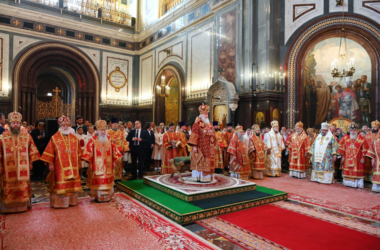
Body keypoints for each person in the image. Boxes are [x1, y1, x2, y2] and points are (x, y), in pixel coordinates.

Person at [0, 112, 40, 213]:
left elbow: (32, 150)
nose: (16, 125)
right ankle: (7, 208)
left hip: (23, 168)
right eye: (13, 123)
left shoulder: (27, 136)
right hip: (7, 168)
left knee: (22, 185)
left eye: (17, 123)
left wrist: (31, 162)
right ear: (9, 124)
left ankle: (22, 206)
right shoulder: (2, 137)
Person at [40, 116, 83, 208]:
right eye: (63, 125)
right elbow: (50, 151)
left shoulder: (74, 139)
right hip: (59, 167)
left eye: (67, 125)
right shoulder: (54, 138)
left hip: (73, 166)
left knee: (72, 183)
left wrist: (79, 162)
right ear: (59, 126)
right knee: (60, 183)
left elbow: (79, 152)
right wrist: (50, 164)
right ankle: (60, 203)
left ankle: (72, 201)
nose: (66, 127)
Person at [82, 120, 122, 202]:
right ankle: (98, 197)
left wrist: (114, 162)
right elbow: (88, 152)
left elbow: (114, 150)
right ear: (97, 130)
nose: (103, 131)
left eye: (104, 130)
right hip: (97, 166)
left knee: (108, 180)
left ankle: (108, 196)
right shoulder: (93, 139)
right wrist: (89, 163)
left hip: (108, 165)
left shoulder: (109, 138)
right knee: (99, 182)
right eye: (101, 130)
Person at [188, 104, 217, 182]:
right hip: (201, 147)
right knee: (200, 162)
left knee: (209, 163)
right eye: (205, 114)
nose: (206, 115)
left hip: (210, 148)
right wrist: (194, 146)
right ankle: (199, 177)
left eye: (207, 114)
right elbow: (194, 134)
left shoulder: (210, 124)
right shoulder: (196, 124)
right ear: (200, 114)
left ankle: (208, 177)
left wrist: (215, 144)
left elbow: (214, 135)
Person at [338, 122, 369, 188]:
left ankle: (358, 184)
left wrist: (363, 157)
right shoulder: (346, 138)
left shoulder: (362, 139)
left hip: (358, 159)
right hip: (347, 158)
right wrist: (343, 156)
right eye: (351, 130)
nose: (353, 132)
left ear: (358, 131)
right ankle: (348, 183)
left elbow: (365, 149)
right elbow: (343, 148)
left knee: (358, 170)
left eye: (354, 130)